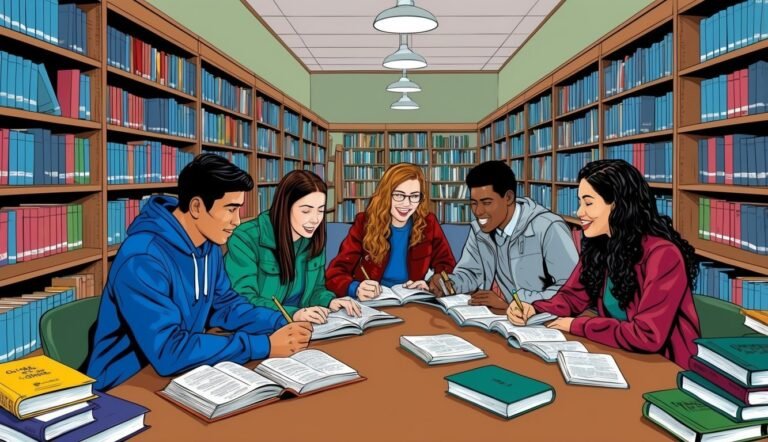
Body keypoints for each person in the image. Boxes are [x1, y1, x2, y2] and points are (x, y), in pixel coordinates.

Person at [88, 154, 312, 390]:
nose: (237, 221)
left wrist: (279, 322)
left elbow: (225, 306)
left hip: (180, 372)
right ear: (196, 207)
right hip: (124, 385)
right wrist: (264, 346)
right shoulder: (142, 258)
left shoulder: (208, 245)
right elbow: (168, 350)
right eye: (231, 209)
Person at [508, 159, 701, 369]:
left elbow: (647, 335)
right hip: (622, 354)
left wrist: (578, 325)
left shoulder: (663, 255)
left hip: (666, 366)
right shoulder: (601, 245)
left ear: (617, 205)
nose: (579, 212)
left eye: (588, 203)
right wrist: (534, 309)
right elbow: (572, 297)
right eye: (580, 202)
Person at [430, 160, 578, 310]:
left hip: (546, 318)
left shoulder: (548, 227)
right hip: (508, 316)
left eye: (486, 202)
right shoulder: (479, 230)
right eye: (474, 203)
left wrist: (512, 302)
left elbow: (572, 291)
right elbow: (471, 273)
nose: (478, 211)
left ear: (508, 198)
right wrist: (449, 283)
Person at [225, 170, 360, 323]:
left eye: (321, 211)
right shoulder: (246, 238)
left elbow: (317, 290)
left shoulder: (313, 239)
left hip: (306, 327)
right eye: (306, 211)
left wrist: (330, 301)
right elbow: (243, 300)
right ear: (285, 206)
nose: (315, 219)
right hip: (262, 327)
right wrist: (293, 314)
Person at [326, 163, 456, 300]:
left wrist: (430, 284)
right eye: (399, 195)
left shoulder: (428, 223)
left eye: (414, 196)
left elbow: (448, 267)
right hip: (373, 302)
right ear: (386, 194)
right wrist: (356, 288)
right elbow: (335, 272)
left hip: (414, 301)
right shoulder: (364, 222)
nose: (407, 204)